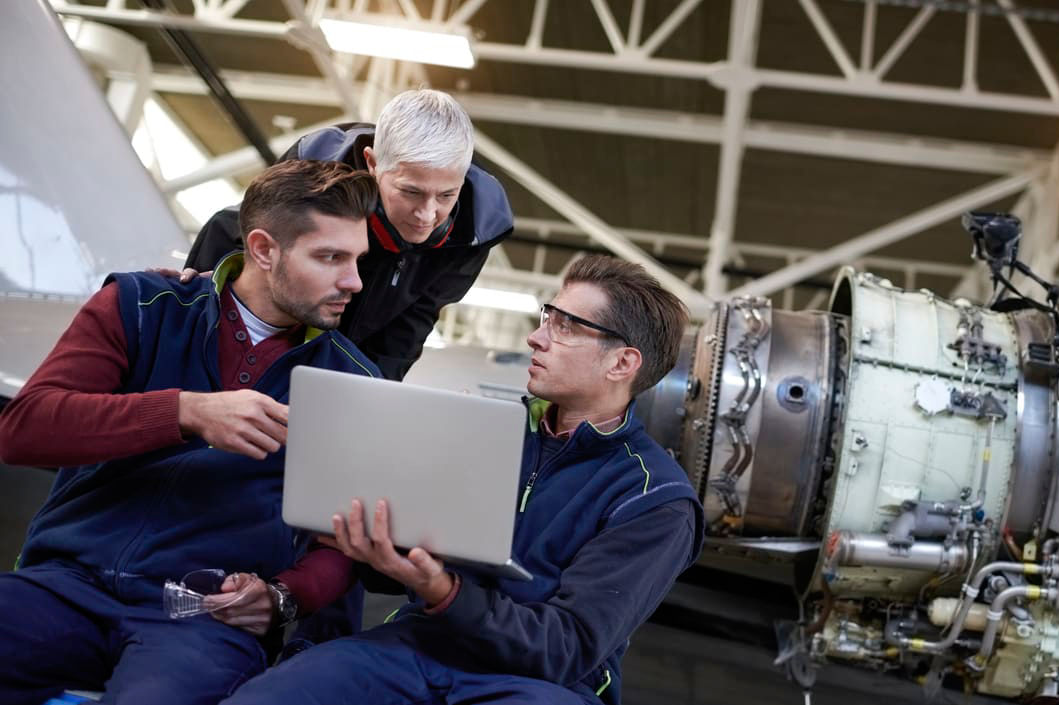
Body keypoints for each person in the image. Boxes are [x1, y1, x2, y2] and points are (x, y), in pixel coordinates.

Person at [221, 255, 703, 705]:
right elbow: (409, 565)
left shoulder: (654, 499)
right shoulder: (490, 433)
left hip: (539, 686)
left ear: (622, 363)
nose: (537, 338)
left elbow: (565, 647)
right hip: (419, 643)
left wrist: (444, 591)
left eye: (567, 326)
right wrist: (375, 548)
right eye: (546, 317)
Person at [0, 160, 381, 705]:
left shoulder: (353, 382)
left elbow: (340, 544)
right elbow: (24, 429)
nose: (354, 281)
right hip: (65, 587)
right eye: (331, 258)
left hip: (203, 619)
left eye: (358, 260)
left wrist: (282, 597)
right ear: (264, 249)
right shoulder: (139, 306)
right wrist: (185, 412)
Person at [184, 88, 514, 382]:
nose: (427, 215)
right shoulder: (315, 167)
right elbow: (236, 230)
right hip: (279, 331)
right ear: (371, 163)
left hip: (359, 342)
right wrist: (193, 298)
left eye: (446, 195)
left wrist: (368, 396)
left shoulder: (478, 229)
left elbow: (413, 323)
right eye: (410, 192)